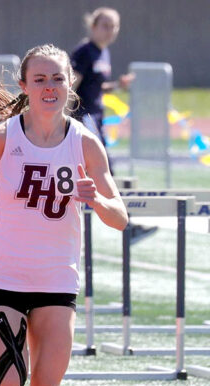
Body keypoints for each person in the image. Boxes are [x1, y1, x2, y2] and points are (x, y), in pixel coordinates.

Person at [0, 44, 128, 386]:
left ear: (70, 83)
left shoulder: (84, 143)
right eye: (39, 79)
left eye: (57, 78)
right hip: (6, 273)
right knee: (6, 385)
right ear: (24, 86)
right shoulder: (3, 137)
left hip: (57, 279)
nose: (49, 87)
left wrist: (96, 199)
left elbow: (120, 218)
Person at [70, 7, 155, 243]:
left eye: (114, 26)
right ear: (93, 26)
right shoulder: (85, 52)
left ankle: (125, 224)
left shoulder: (102, 53)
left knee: (101, 169)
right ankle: (126, 225)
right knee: (103, 167)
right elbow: (71, 86)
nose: (110, 31)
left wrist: (118, 85)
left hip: (97, 117)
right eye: (105, 25)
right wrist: (61, 118)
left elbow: (97, 86)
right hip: (84, 117)